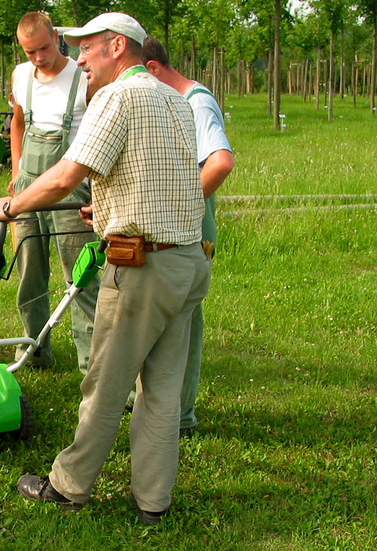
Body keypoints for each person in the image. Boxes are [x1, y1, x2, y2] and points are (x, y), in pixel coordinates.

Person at [0, 13, 210, 526]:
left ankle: (68, 486)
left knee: (104, 385)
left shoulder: (116, 97)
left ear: (117, 46)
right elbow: (161, 174)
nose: (79, 58)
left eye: (87, 48)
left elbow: (68, 174)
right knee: (160, 391)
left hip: (142, 269)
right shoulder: (177, 99)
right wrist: (108, 209)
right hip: (187, 262)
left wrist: (15, 205)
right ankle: (154, 503)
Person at [125, 36, 235, 434]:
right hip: (168, 221)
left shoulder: (195, 102)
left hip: (190, 224)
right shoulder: (168, 103)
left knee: (184, 319)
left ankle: (181, 415)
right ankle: (150, 403)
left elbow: (220, 163)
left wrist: (180, 204)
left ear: (152, 68)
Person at [8, 12, 99, 372]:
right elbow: (17, 123)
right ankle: (34, 348)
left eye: (44, 48)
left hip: (70, 188)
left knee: (78, 276)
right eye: (30, 52)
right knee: (28, 270)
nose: (39, 58)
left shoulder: (82, 78)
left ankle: (90, 361)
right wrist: (17, 171)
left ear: (56, 38)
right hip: (28, 185)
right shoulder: (20, 76)